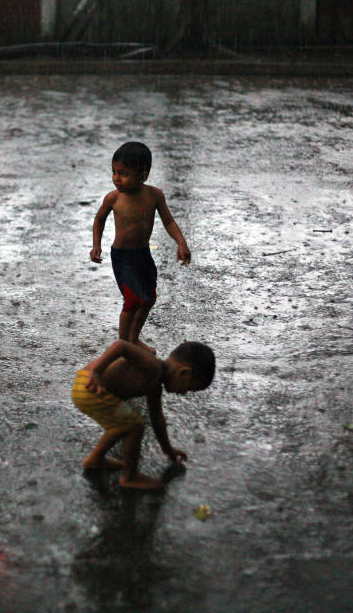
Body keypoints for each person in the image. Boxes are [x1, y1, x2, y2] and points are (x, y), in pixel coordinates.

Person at [71, 339, 215, 489]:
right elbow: (121, 346)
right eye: (189, 388)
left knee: (121, 425)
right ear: (184, 373)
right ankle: (129, 477)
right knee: (135, 425)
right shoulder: (152, 365)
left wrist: (168, 449)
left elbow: (157, 419)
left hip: (88, 389)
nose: (184, 393)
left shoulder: (155, 385)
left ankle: (95, 459)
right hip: (91, 386)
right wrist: (96, 372)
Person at [90, 141, 191, 354]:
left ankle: (133, 339)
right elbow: (99, 220)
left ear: (143, 176)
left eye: (124, 173)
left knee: (149, 298)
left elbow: (169, 221)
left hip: (143, 255)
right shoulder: (114, 198)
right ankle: (122, 345)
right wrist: (96, 245)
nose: (117, 178)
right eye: (114, 172)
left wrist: (181, 242)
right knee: (133, 300)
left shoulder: (154, 195)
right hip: (123, 257)